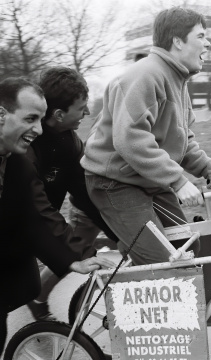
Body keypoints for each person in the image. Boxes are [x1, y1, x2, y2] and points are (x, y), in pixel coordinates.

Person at [81, 7, 211, 266]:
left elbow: (181, 138)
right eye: (201, 36)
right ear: (178, 42)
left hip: (146, 179)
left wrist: (207, 168)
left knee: (187, 245)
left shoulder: (178, 81)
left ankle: (136, 259)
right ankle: (135, 280)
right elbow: (131, 139)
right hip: (115, 181)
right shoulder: (144, 76)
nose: (208, 42)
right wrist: (178, 181)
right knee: (164, 261)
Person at [0, 77, 115, 355]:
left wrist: (77, 256)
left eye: (40, 119)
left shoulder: (19, 165)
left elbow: (37, 217)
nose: (38, 129)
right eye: (30, 118)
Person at [24, 67, 120, 321]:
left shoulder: (69, 141)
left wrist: (118, 232)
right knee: (17, 284)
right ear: (58, 114)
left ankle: (34, 301)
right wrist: (78, 254)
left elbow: (86, 193)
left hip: (34, 220)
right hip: (19, 220)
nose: (88, 113)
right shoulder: (26, 149)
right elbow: (37, 209)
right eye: (81, 108)